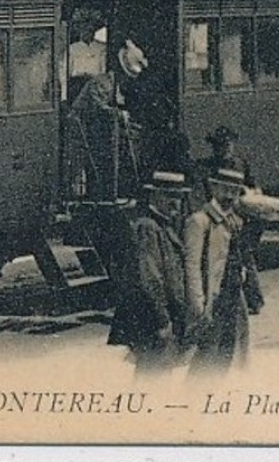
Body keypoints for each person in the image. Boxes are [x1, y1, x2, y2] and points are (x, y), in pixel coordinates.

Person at [108, 172, 192, 373]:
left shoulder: (163, 226)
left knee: (158, 375)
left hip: (163, 320)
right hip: (152, 322)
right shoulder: (148, 227)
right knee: (152, 378)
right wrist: (162, 320)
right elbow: (149, 278)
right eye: (170, 196)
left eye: (179, 197)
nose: (176, 203)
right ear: (155, 196)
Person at [184, 167, 252, 373]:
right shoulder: (200, 220)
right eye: (225, 188)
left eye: (235, 190)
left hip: (232, 294)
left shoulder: (235, 220)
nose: (230, 195)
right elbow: (192, 265)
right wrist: (198, 302)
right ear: (213, 187)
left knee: (227, 350)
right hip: (212, 296)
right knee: (207, 354)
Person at [199, 126, 264, 316]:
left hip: (240, 216)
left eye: (227, 144)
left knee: (243, 256)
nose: (225, 148)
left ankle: (254, 300)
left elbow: (253, 187)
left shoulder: (241, 164)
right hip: (220, 216)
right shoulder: (208, 167)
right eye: (221, 145)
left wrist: (250, 196)